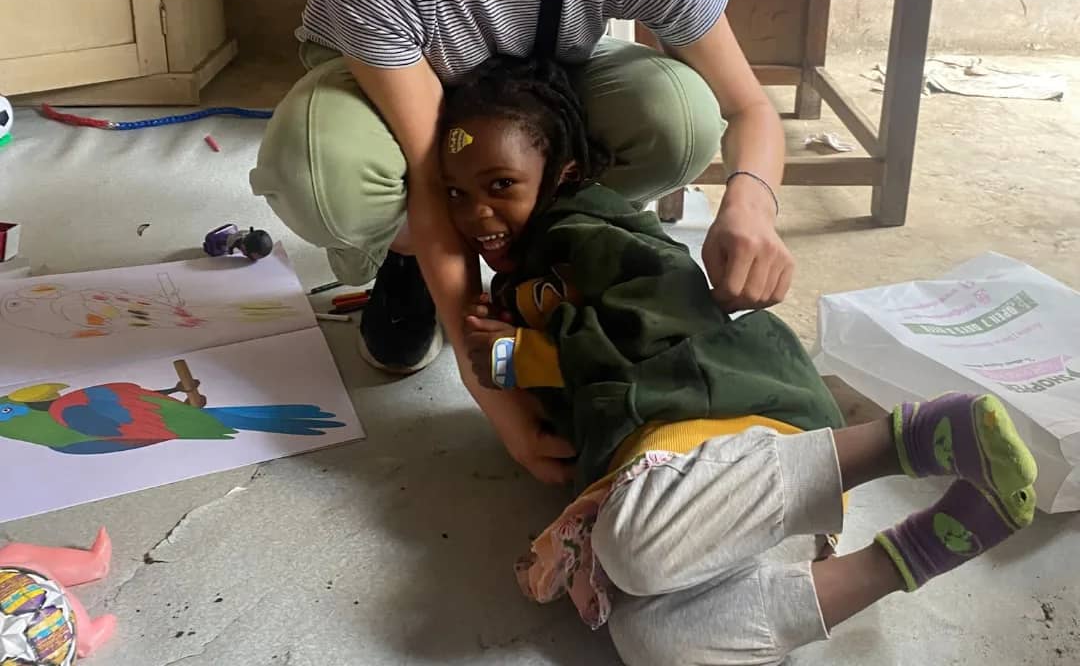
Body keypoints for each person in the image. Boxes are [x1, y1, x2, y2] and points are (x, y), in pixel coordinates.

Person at [252, 0, 794, 484]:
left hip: (534, 88)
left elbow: (749, 105)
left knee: (680, 115)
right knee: (322, 163)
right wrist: (495, 394)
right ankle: (400, 258)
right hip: (412, 106)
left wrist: (751, 203)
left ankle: (558, 243)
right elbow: (437, 173)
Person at [440, 56, 1039, 666]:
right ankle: (922, 550)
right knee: (652, 641)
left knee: (632, 548)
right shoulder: (521, 279)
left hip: (725, 429)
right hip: (720, 511)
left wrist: (531, 355)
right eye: (455, 193)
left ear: (561, 174)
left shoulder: (589, 226)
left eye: (501, 186)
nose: (476, 214)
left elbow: (664, 304)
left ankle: (905, 441)